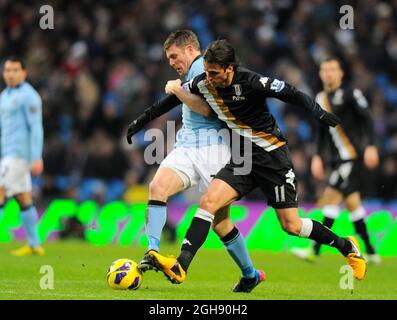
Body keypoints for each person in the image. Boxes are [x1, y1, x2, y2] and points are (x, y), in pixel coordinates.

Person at [127, 40, 367, 291]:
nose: (208, 78)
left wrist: (319, 113)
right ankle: (181, 265)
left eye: (214, 73)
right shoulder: (204, 83)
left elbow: (291, 93)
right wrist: (142, 120)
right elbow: (173, 100)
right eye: (206, 72)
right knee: (208, 203)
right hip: (243, 159)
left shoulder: (251, 82)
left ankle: (347, 247)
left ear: (230, 68)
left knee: (291, 226)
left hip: (273, 159)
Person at [134, 30, 264, 292]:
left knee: (221, 222)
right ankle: (152, 251)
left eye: (174, 56)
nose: (171, 62)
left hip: (215, 150)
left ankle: (250, 274)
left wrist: (177, 91)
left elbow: (206, 109)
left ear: (190, 49)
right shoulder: (195, 72)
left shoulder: (203, 69)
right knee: (157, 188)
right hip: (187, 146)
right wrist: (141, 120)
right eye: (168, 58)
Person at [291, 57, 381, 264]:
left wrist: (371, 146)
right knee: (353, 204)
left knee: (330, 197)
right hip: (337, 159)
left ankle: (314, 250)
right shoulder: (321, 97)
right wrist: (317, 157)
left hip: (352, 157)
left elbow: (367, 119)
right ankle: (371, 251)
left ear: (341, 73)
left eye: (333, 69)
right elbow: (322, 131)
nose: (328, 73)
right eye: (325, 70)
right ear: (321, 74)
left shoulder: (351, 93)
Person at [0, 56, 45, 256]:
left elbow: (36, 127)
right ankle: (35, 245)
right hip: (8, 154)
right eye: (7, 70)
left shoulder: (30, 96)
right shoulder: (5, 95)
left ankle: (34, 244)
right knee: (23, 199)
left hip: (19, 156)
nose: (10, 74)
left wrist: (36, 157)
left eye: (15, 70)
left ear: (24, 73)